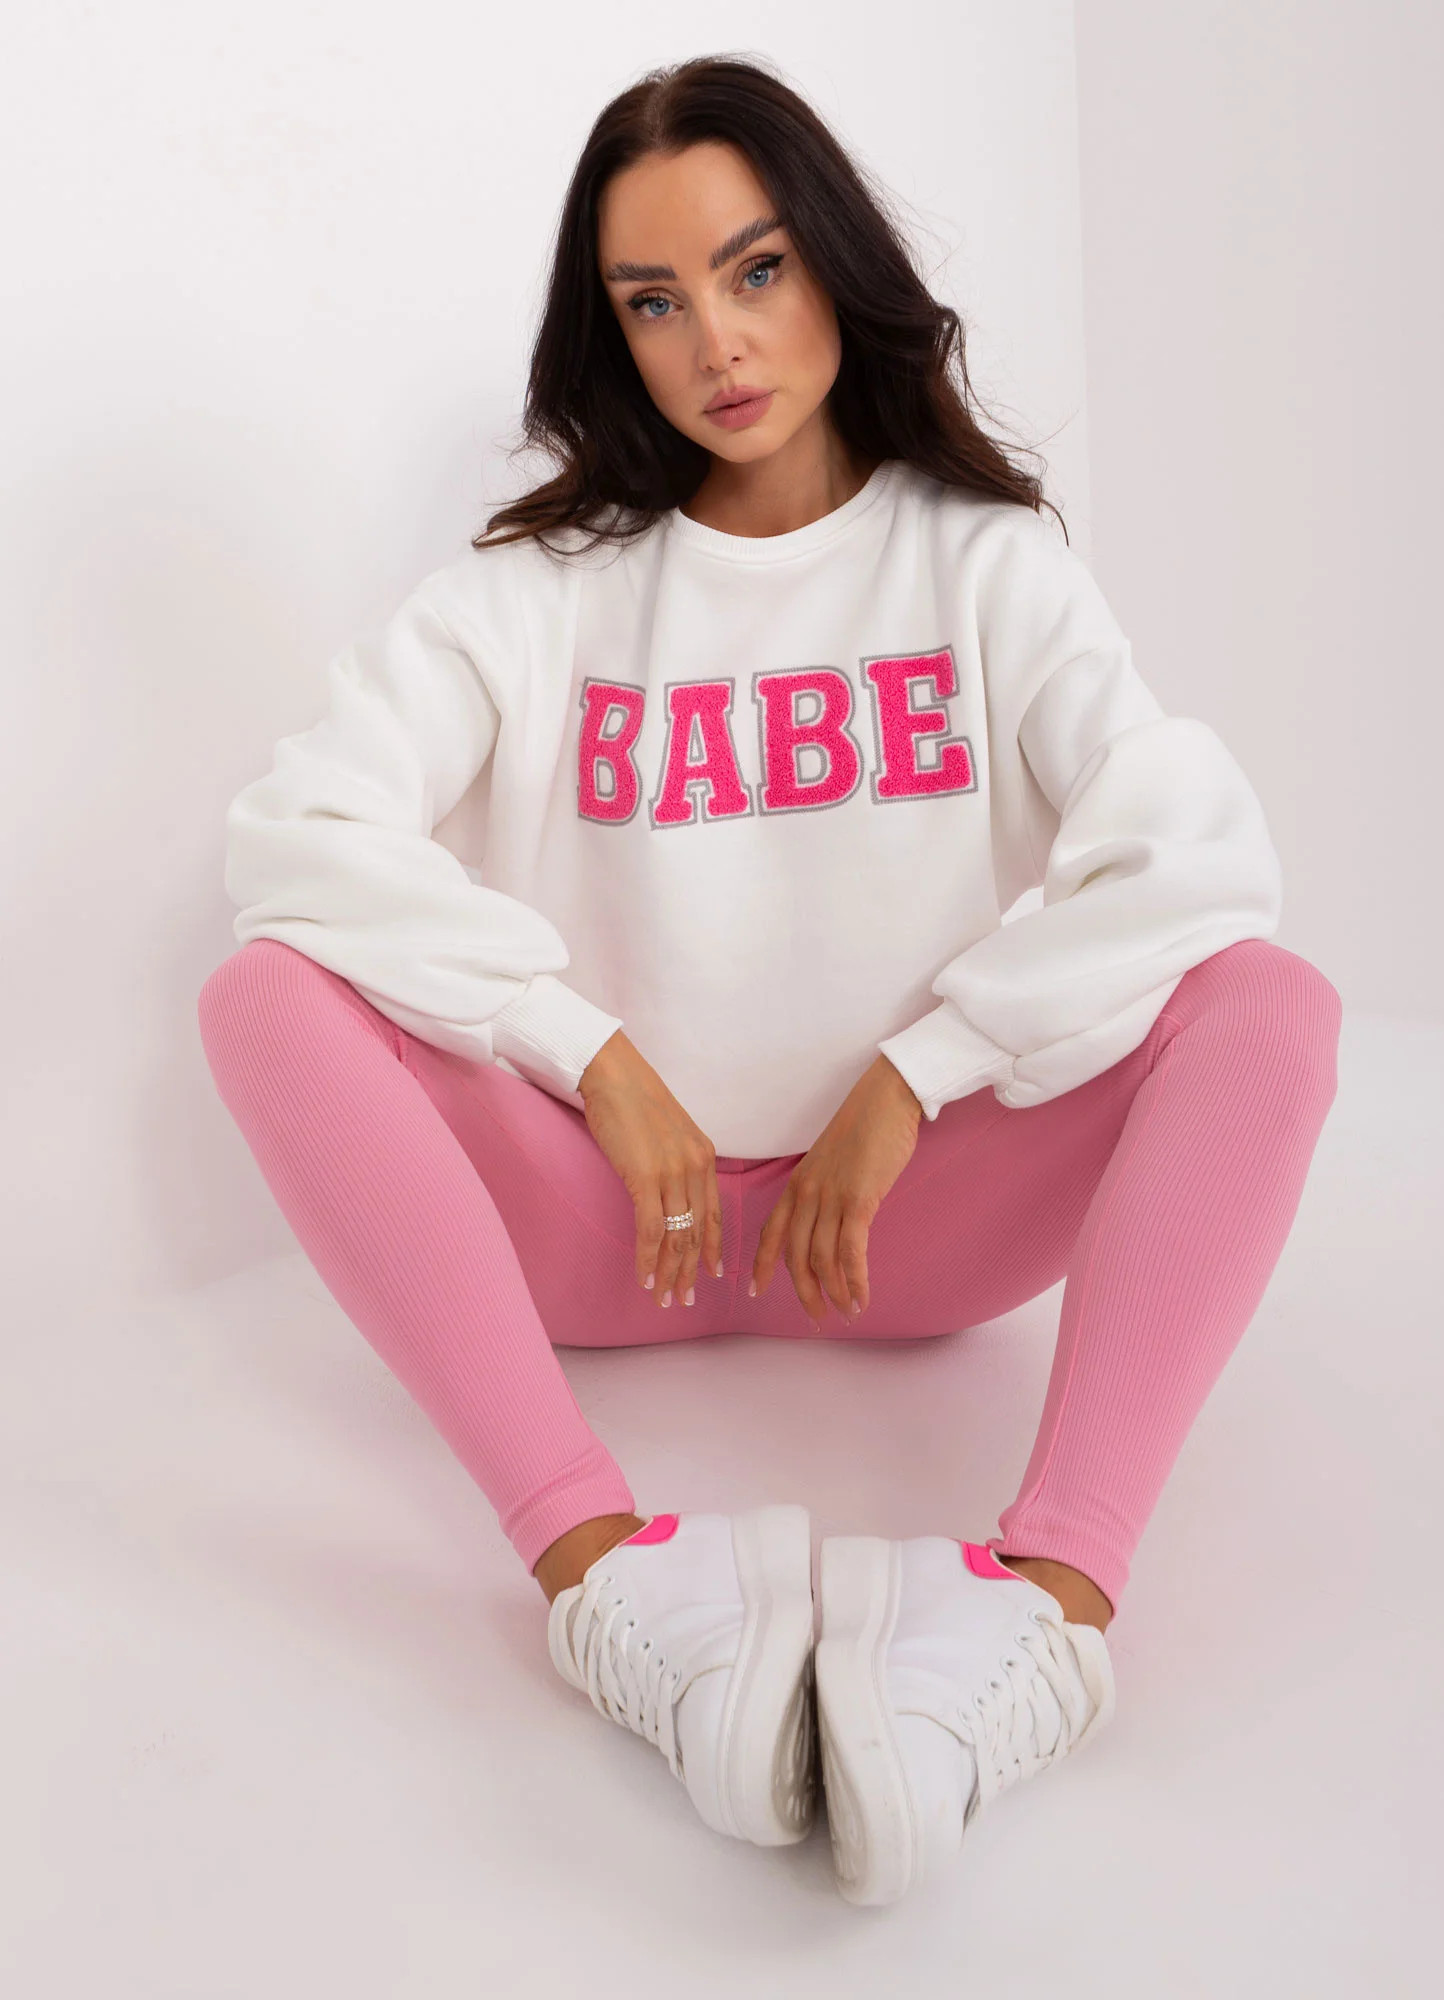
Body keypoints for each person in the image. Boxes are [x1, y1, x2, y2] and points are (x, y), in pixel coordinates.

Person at [196, 55, 1342, 1908]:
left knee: (1271, 1007)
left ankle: (1044, 1610)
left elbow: (1191, 857)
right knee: (263, 997)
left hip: (900, 1230)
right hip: (606, 1226)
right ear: (612, 333)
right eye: (655, 301)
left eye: (754, 271)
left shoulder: (988, 567)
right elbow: (299, 834)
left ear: (829, 261)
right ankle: (607, 1578)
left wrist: (919, 1074)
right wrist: (589, 1055)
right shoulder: (535, 593)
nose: (716, 341)